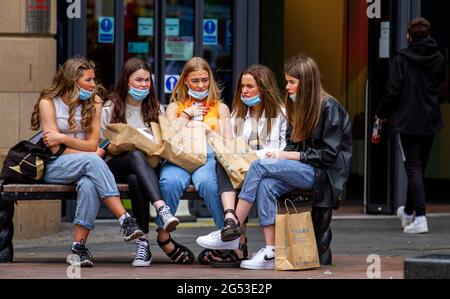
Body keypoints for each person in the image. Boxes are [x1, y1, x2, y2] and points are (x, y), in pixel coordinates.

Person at [196, 54, 352, 270]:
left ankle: (231, 229)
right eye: (287, 81)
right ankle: (271, 251)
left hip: (322, 174)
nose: (286, 86)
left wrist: (287, 156)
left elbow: (328, 156)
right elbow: (290, 144)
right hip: (302, 169)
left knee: (260, 166)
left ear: (306, 82)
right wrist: (283, 156)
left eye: (291, 82)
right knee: (266, 184)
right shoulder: (298, 106)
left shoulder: (328, 107)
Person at [30, 57, 143, 268]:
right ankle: (125, 219)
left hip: (83, 163)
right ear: (73, 80)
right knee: (91, 160)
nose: (93, 84)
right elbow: (55, 149)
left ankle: (78, 248)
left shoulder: (95, 101)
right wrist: (82, 149)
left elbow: (91, 144)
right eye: (88, 80)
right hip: (55, 165)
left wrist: (63, 138)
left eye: (94, 79)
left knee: (89, 184)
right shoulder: (48, 102)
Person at [196, 64, 287, 267]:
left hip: (269, 168)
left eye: (250, 86)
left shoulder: (281, 113)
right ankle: (231, 223)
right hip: (243, 168)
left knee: (243, 175)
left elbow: (283, 149)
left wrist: (252, 155)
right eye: (242, 86)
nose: (244, 91)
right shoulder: (238, 112)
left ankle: (233, 238)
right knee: (223, 163)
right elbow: (231, 145)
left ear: (263, 88)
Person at [101, 58, 179, 267]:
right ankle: (161, 208)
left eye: (147, 80)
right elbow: (102, 143)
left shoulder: (156, 109)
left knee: (136, 179)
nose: (144, 85)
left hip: (147, 167)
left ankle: (143, 245)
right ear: (127, 81)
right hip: (116, 164)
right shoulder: (110, 108)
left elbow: (165, 143)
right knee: (135, 155)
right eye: (139, 80)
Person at [158, 57, 231, 264]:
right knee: (170, 182)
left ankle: (224, 237)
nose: (200, 85)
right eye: (195, 80)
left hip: (208, 157)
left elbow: (229, 143)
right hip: (178, 158)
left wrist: (209, 132)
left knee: (209, 184)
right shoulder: (175, 107)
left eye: (204, 80)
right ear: (185, 82)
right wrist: (186, 116)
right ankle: (164, 235)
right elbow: (167, 138)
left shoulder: (220, 108)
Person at [376, 18, 445, 234]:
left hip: (407, 121)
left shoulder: (401, 59)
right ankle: (407, 212)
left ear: (409, 36)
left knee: (413, 167)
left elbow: (393, 90)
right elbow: (439, 84)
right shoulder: (439, 58)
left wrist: (381, 113)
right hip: (430, 120)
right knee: (419, 168)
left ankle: (421, 217)